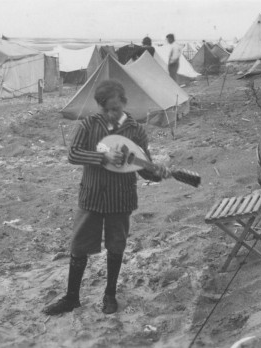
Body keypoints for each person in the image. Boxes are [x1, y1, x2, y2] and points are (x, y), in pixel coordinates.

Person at [42, 79, 169, 316]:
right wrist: (103, 158)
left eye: (116, 108)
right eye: (106, 109)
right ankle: (72, 297)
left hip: (121, 198)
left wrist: (156, 172)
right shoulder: (89, 125)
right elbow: (73, 154)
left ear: (124, 103)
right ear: (99, 107)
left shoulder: (136, 131)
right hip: (91, 196)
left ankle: (109, 294)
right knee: (79, 246)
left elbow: (141, 167)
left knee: (116, 246)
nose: (111, 114)